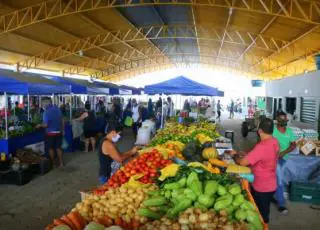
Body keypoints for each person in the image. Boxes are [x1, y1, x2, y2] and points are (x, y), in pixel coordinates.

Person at [229, 118, 279, 224]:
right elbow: (264, 157)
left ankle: (264, 225)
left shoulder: (262, 146)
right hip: (271, 183)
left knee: (260, 214)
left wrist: (235, 155)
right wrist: (247, 155)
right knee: (265, 209)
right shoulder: (274, 141)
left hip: (262, 186)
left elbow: (242, 163)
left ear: (259, 131)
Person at [272, 111, 296, 214]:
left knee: (278, 178)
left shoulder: (289, 131)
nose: (284, 122)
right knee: (273, 177)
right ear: (277, 120)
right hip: (271, 157)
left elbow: (293, 145)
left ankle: (281, 203)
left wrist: (283, 153)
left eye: (285, 120)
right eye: (281, 120)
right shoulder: (272, 130)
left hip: (282, 158)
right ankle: (274, 197)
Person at [36, 98, 64, 167]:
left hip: (50, 133)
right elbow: (62, 120)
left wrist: (39, 125)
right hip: (59, 132)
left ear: (46, 103)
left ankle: (54, 164)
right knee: (58, 148)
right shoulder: (57, 109)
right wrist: (63, 130)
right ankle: (61, 163)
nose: (42, 105)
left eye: (42, 103)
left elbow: (46, 125)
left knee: (50, 148)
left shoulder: (46, 112)